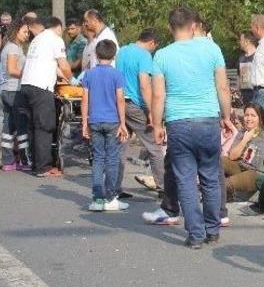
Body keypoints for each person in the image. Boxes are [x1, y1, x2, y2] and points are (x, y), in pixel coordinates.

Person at [150, 6, 234, 249]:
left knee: (185, 179)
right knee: (210, 176)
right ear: (194, 25)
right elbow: (223, 87)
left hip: (178, 123)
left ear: (170, 27)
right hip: (208, 119)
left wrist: (157, 124)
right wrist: (226, 116)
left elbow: (158, 96)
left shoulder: (162, 56)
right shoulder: (212, 49)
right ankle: (212, 229)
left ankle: (195, 235)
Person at [20, 16, 73, 177]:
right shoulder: (55, 39)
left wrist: (63, 76)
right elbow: (63, 65)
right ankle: (43, 167)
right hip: (41, 87)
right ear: (58, 27)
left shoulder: (38, 40)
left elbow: (51, 65)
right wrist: (71, 81)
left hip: (27, 85)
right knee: (45, 126)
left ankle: (35, 163)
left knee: (34, 127)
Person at [82, 40, 129, 212]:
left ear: (96, 54)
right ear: (114, 55)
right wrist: (123, 123)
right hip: (112, 121)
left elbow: (85, 100)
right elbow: (120, 100)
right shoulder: (117, 75)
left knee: (98, 159)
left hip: (94, 120)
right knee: (112, 159)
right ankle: (111, 198)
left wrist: (84, 123)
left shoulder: (89, 74)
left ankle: (97, 199)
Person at [117, 29, 163, 192]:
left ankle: (115, 188)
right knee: (154, 145)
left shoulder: (122, 51)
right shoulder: (144, 55)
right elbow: (144, 84)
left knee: (121, 146)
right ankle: (163, 186)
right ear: (152, 43)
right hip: (136, 105)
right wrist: (151, 110)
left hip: (121, 102)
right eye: (154, 47)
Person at [224, 102, 264, 214]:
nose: (248, 118)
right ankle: (223, 194)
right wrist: (245, 139)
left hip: (255, 173)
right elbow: (232, 156)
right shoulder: (242, 132)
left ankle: (221, 193)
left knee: (226, 183)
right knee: (219, 161)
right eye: (246, 115)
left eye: (253, 116)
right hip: (241, 167)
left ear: (260, 118)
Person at [0, 21, 31, 171]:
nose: (27, 35)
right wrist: (29, 75)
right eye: (24, 31)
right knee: (21, 125)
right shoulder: (13, 47)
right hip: (14, 90)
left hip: (6, 90)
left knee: (8, 125)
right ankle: (25, 160)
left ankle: (8, 160)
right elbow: (12, 69)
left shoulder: (11, 47)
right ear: (16, 31)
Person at [237, 30, 258, 106]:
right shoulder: (241, 58)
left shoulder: (258, 56)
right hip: (244, 96)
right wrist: (237, 91)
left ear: (247, 41)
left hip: (256, 94)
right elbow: (239, 76)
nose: (240, 42)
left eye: (241, 40)